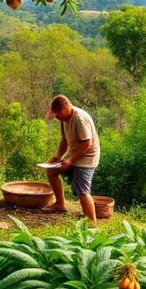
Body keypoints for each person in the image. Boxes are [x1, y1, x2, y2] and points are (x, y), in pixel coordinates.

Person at [44, 94, 100, 224]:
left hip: (87, 158)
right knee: (52, 171)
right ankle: (60, 204)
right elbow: (64, 140)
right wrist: (58, 157)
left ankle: (92, 223)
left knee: (83, 191)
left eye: (57, 114)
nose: (56, 118)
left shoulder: (80, 118)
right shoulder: (64, 120)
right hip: (73, 155)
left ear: (65, 109)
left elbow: (87, 143)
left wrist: (70, 161)